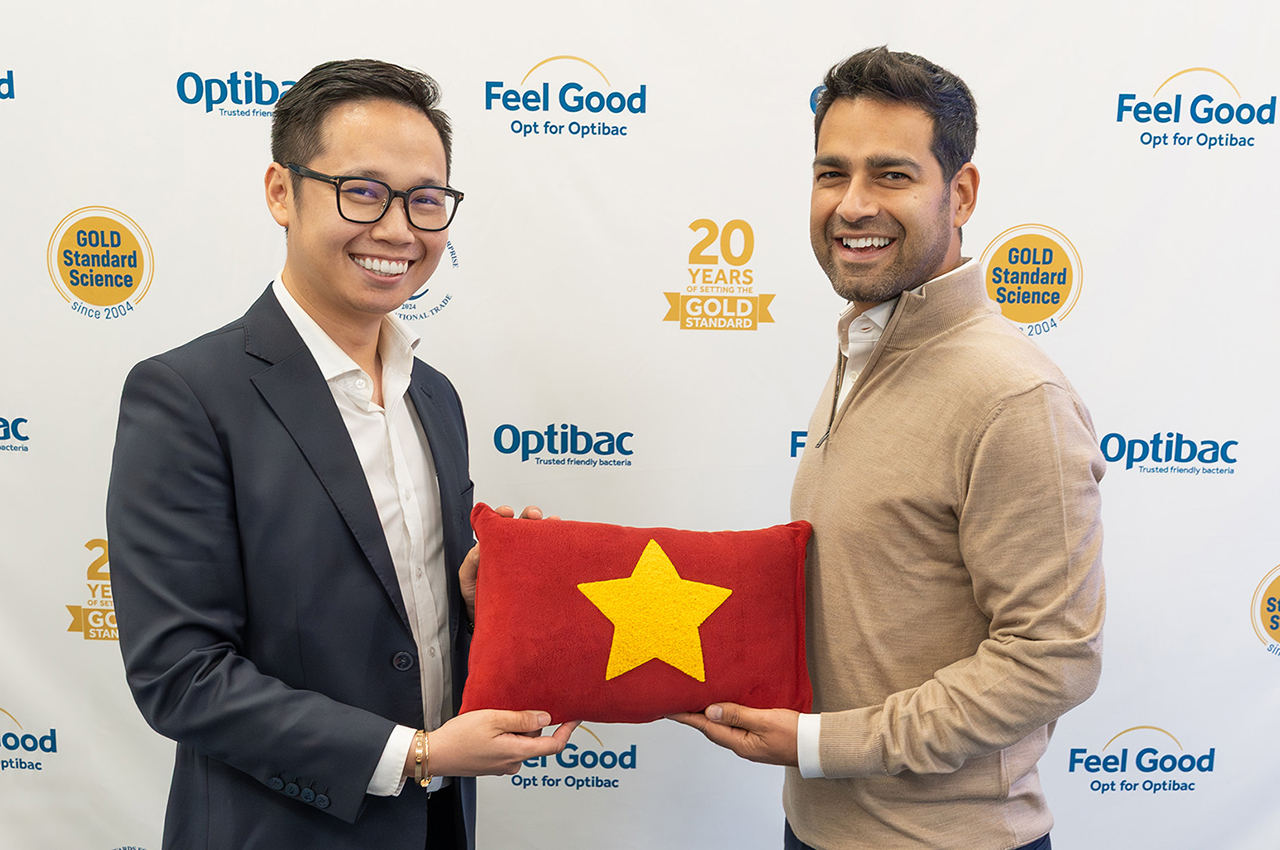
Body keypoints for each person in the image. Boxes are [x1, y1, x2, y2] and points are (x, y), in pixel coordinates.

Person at [106, 59, 574, 850]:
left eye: (426, 200)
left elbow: (402, 622)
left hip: (435, 829)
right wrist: (418, 755)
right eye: (362, 191)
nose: (398, 230)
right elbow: (179, 676)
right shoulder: (185, 395)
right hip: (275, 830)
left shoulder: (436, 395)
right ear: (281, 193)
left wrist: (482, 595)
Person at [672, 47, 1104, 850]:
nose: (852, 205)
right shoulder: (868, 346)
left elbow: (1052, 660)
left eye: (892, 176)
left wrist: (818, 746)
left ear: (962, 193)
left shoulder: (1013, 395)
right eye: (831, 174)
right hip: (820, 829)